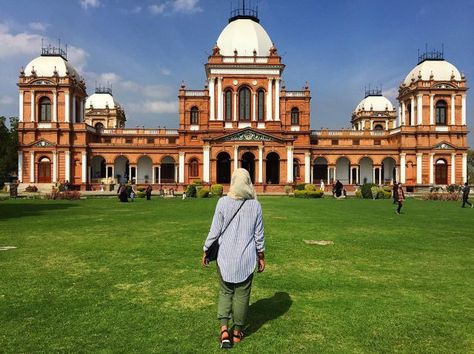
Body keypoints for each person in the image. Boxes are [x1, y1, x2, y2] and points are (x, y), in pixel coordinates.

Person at [202, 168, 265, 349]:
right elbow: (258, 235)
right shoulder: (255, 205)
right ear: (248, 182)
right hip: (246, 258)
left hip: (225, 257)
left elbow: (215, 230)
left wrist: (206, 249)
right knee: (242, 295)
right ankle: (237, 332)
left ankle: (224, 330)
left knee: (225, 292)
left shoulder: (222, 202)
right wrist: (261, 255)